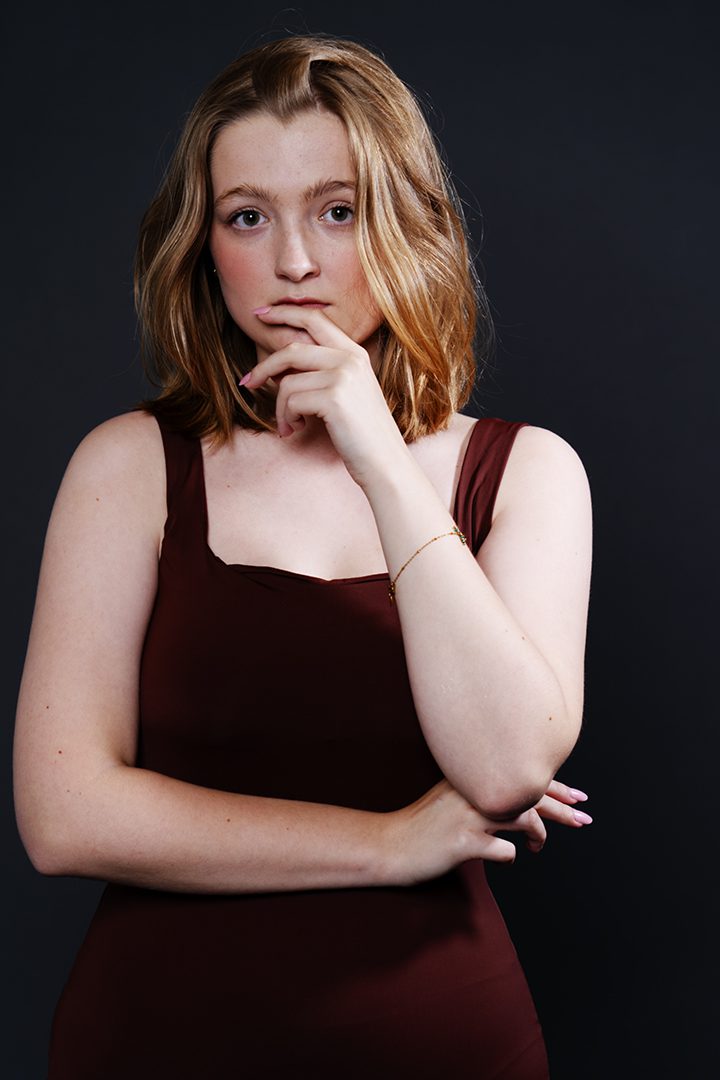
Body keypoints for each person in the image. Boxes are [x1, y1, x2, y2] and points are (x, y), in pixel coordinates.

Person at [13, 34, 593, 1079]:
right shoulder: (130, 465)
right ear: (203, 244)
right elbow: (64, 816)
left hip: (440, 1045)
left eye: (338, 210)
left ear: (406, 223)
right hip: (153, 1043)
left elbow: (508, 767)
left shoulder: (526, 472)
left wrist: (379, 458)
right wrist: (387, 844)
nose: (293, 263)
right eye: (248, 216)